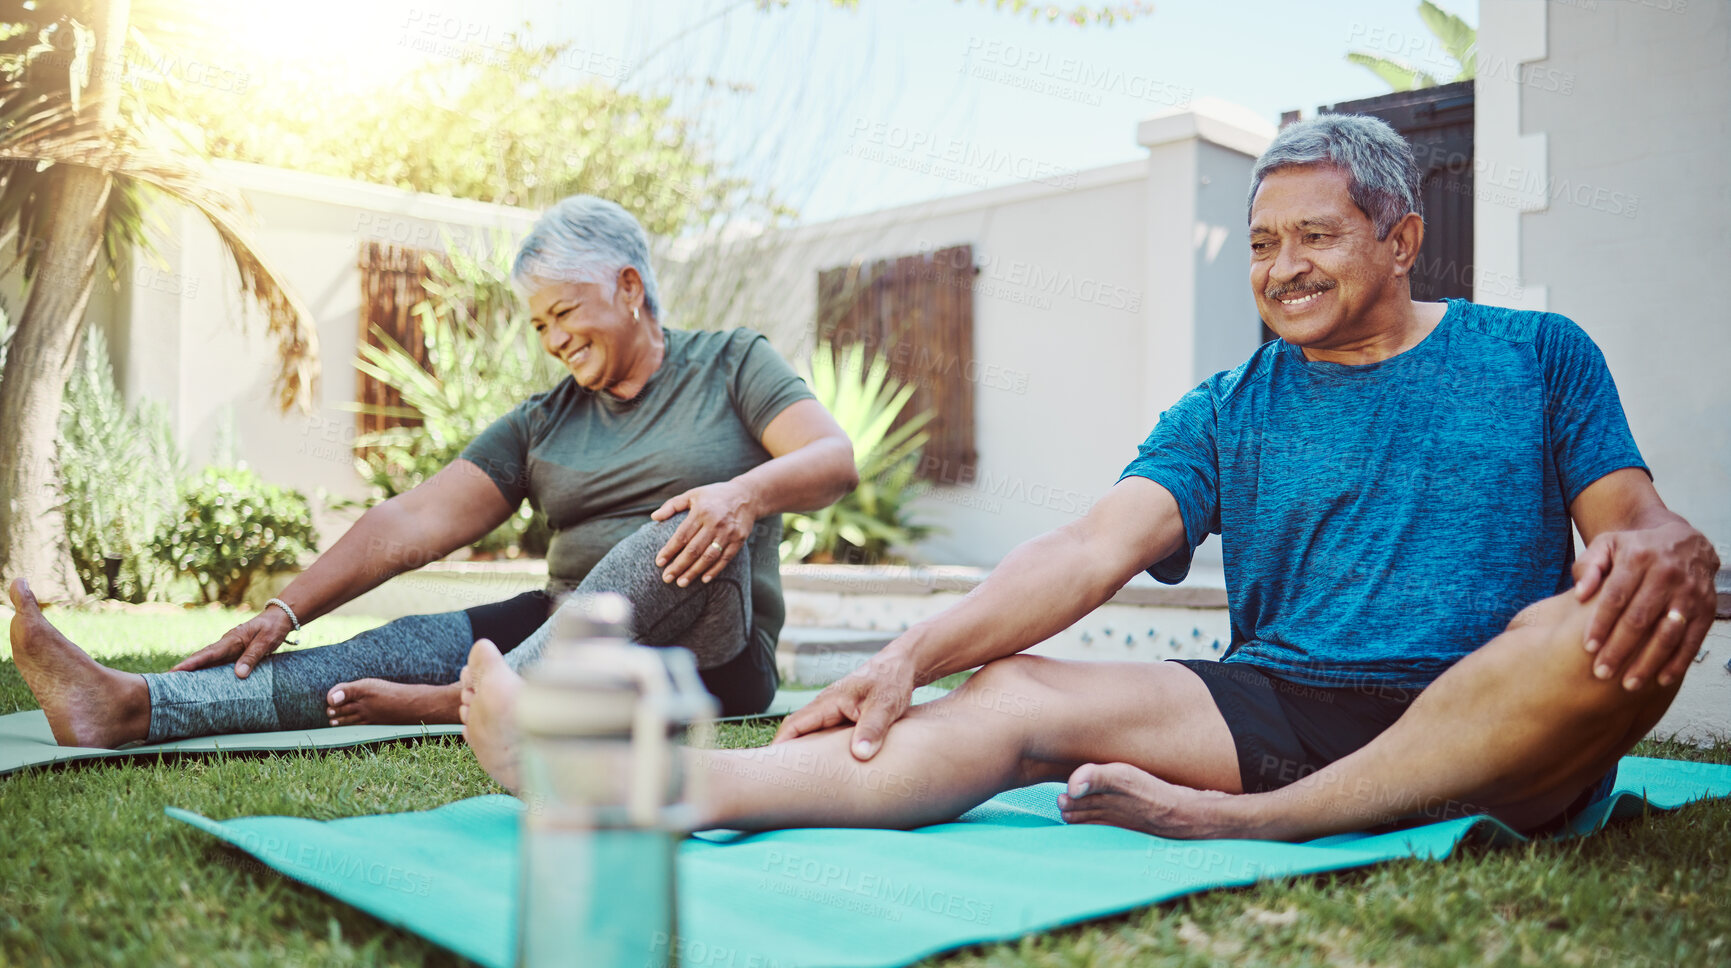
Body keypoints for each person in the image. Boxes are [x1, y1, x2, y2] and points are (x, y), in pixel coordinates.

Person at [459, 114, 1718, 842]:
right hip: (1283, 707)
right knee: (1008, 690)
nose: (1280, 270)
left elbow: (1631, 528)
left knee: (1589, 631)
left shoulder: (1538, 357)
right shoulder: (1229, 408)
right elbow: (1083, 551)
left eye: (1316, 239)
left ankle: (1256, 827)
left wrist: (1660, 538)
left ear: (1400, 239)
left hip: (1499, 709)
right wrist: (914, 653)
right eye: (1263, 244)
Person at [8, 194, 858, 746]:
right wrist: (283, 606)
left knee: (675, 527)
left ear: (629, 287)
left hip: (713, 657)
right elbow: (407, 526)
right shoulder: (545, 420)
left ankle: (467, 701)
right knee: (392, 645)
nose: (555, 339)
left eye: (564, 311)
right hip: (568, 633)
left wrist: (741, 494)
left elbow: (832, 460)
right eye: (539, 326)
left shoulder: (731, 364)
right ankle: (131, 705)